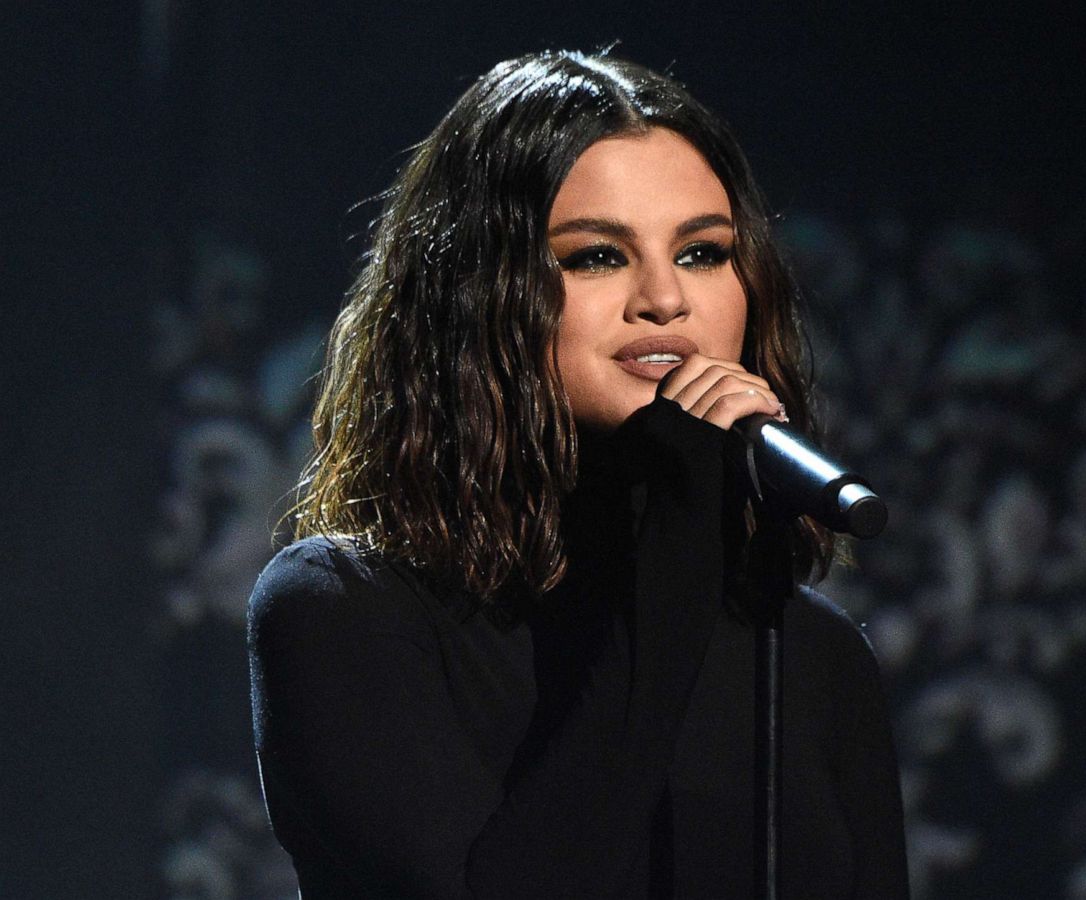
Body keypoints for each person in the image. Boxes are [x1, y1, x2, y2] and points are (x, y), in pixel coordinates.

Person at [245, 49, 909, 898]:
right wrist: (670, 555)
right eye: (597, 256)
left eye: (703, 252)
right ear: (480, 293)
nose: (665, 299)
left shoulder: (809, 657)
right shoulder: (346, 613)